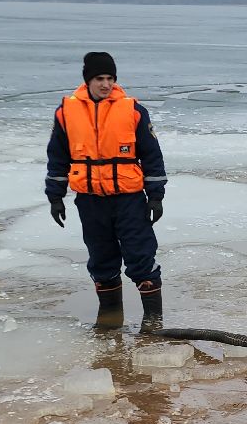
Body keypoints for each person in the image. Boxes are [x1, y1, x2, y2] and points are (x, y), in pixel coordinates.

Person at [46, 51, 169, 331]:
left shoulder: (133, 110)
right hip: (90, 201)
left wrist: (156, 196)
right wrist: (55, 196)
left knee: (140, 257)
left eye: (110, 78)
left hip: (129, 200)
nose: (105, 84)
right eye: (100, 78)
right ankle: (110, 318)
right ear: (88, 80)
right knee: (101, 260)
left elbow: (152, 156)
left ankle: (153, 320)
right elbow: (57, 157)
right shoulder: (66, 112)